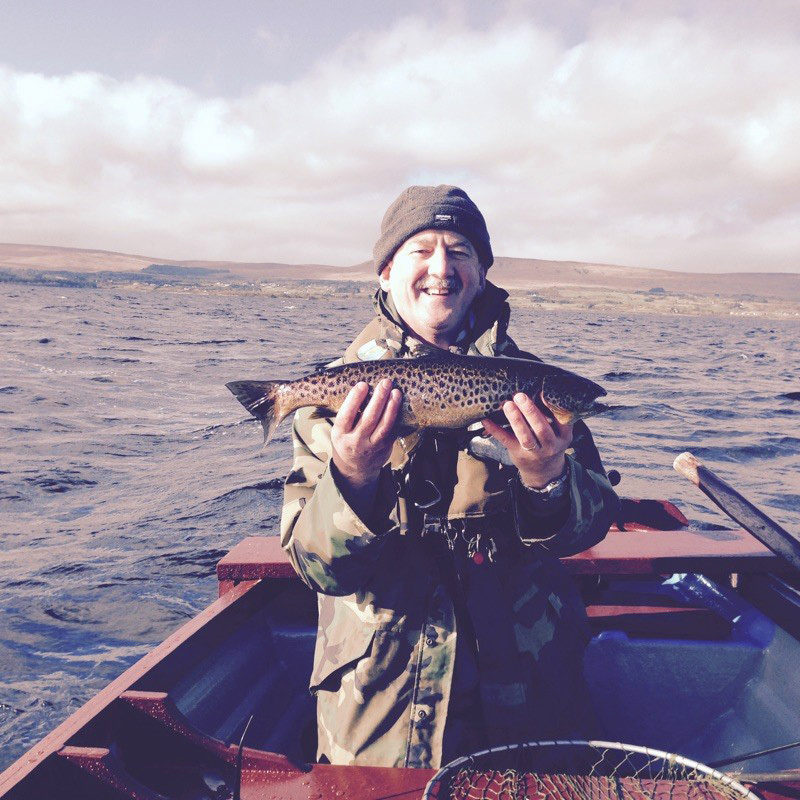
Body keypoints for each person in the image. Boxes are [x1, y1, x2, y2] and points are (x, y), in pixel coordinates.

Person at [280, 185, 620, 769]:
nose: (442, 267)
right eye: (422, 250)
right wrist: (353, 477)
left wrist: (547, 478)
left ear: (482, 273)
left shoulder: (532, 385)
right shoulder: (334, 398)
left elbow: (587, 532)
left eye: (460, 251)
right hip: (382, 712)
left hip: (530, 692)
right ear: (386, 273)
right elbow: (317, 568)